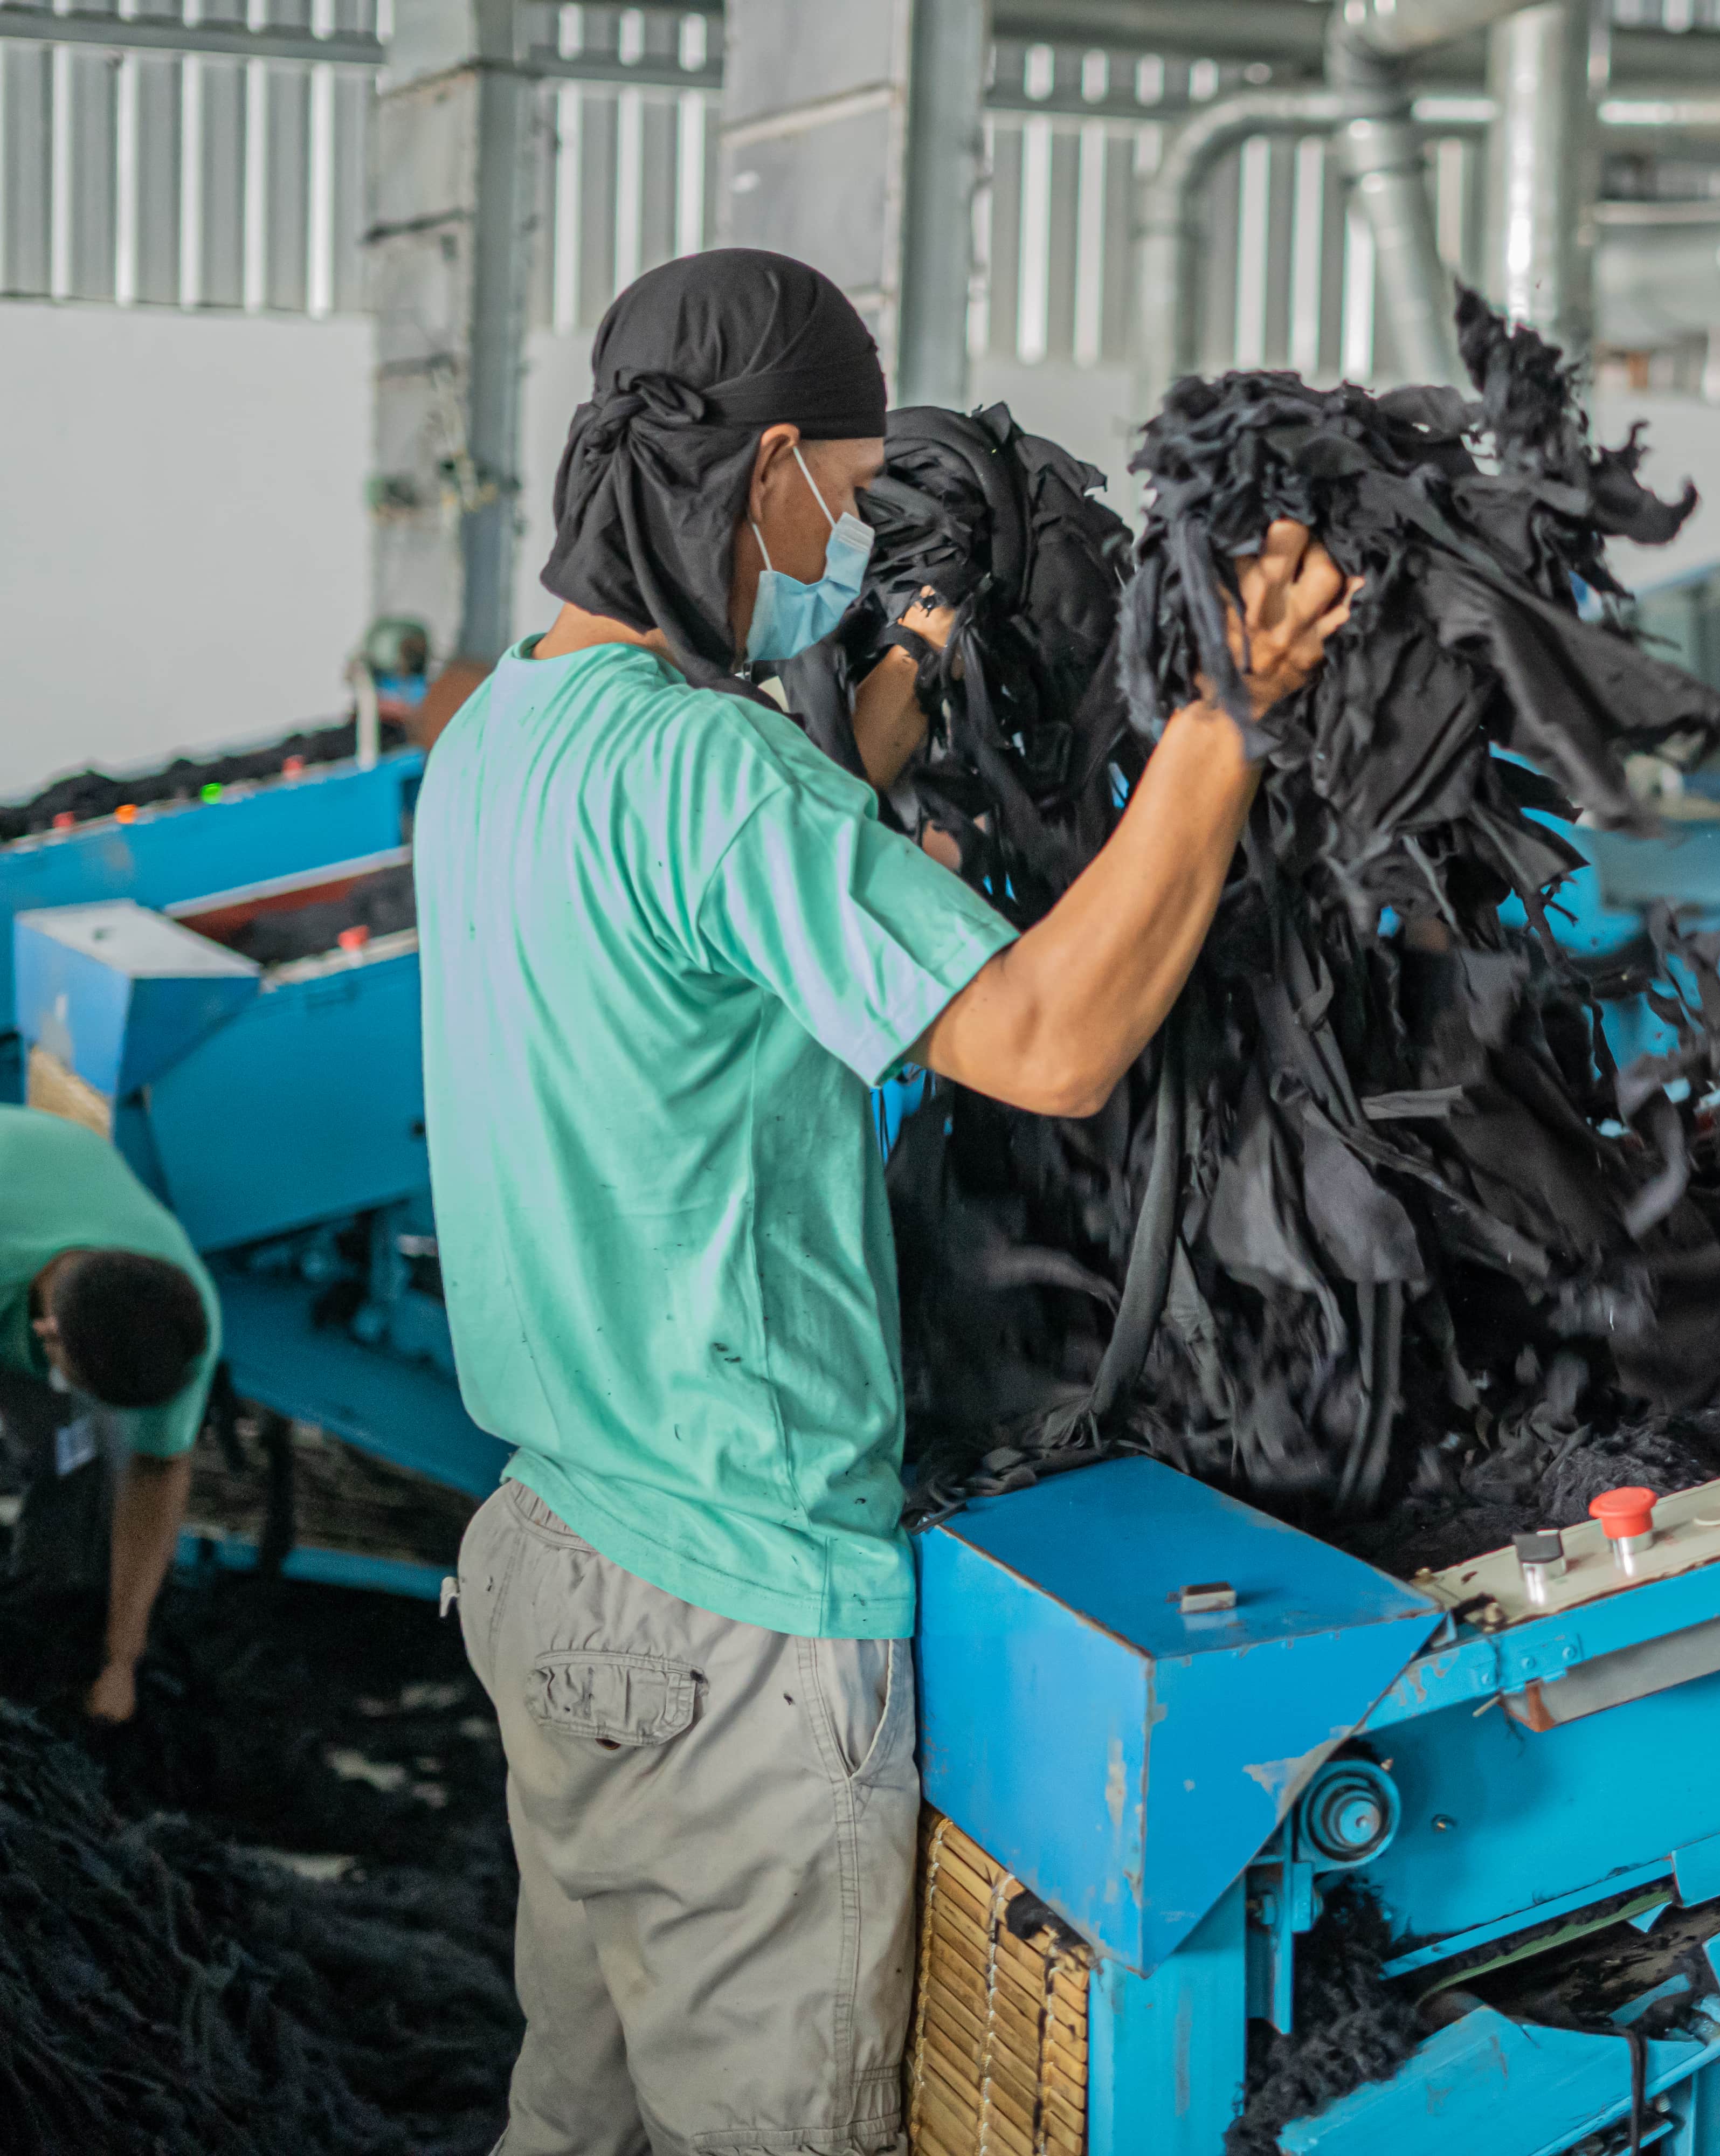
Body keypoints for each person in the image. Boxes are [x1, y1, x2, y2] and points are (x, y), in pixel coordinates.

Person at [417, 247, 1352, 2154]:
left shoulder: (503, 733)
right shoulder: (708, 776)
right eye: (842, 496)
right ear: (765, 471)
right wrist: (1223, 720)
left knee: (579, 2120)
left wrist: (919, 647)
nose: (843, 540)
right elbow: (1053, 1039)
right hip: (730, 1620)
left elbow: (761, 832)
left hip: (555, 1550)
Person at [0, 1104, 219, 1725]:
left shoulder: (184, 1322)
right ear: (47, 1336)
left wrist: (122, 1657)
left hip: (50, 1201)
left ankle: (37, 1649)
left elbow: (154, 1470)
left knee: (78, 1464)